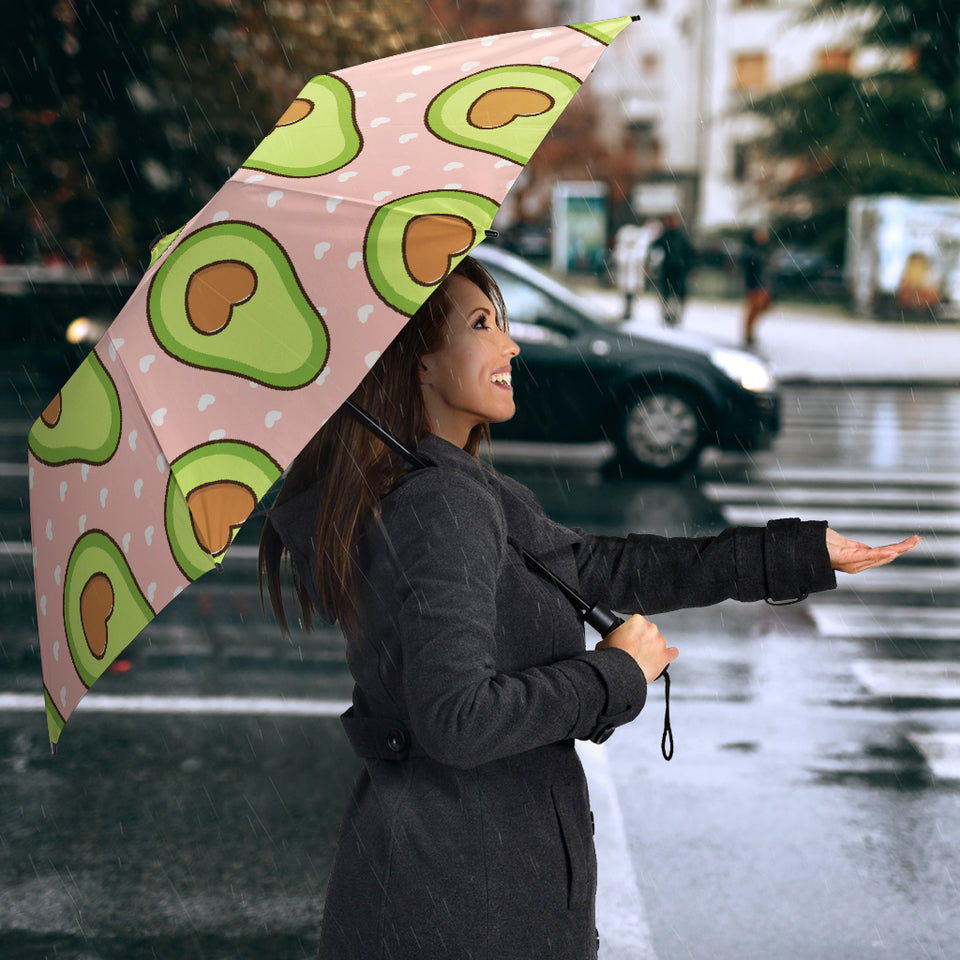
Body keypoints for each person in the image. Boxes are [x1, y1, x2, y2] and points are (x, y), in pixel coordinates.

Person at [258, 256, 919, 960]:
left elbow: (603, 567)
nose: (510, 345)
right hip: (466, 902)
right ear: (416, 362)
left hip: (453, 883)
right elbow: (456, 719)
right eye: (482, 325)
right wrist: (614, 673)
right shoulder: (440, 504)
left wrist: (796, 554)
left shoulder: (449, 488)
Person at [648, 213, 695, 327]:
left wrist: (690, 267)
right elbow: (654, 249)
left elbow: (690, 253)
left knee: (677, 295)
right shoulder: (665, 236)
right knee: (667, 294)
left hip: (679, 271)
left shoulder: (681, 237)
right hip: (668, 270)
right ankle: (667, 315)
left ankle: (675, 316)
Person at [741, 226, 772, 347]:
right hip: (754, 284)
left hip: (763, 283)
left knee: (762, 306)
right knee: (754, 308)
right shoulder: (750, 250)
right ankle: (748, 333)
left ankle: (750, 331)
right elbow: (750, 265)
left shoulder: (763, 249)